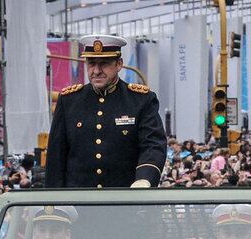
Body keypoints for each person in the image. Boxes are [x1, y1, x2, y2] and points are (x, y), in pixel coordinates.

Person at [45, 34, 166, 189]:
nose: (96, 70)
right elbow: (56, 157)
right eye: (91, 63)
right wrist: (53, 202)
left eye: (104, 63)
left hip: (125, 200)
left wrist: (145, 178)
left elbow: (153, 145)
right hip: (78, 203)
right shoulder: (69, 101)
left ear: (119, 64)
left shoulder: (141, 100)